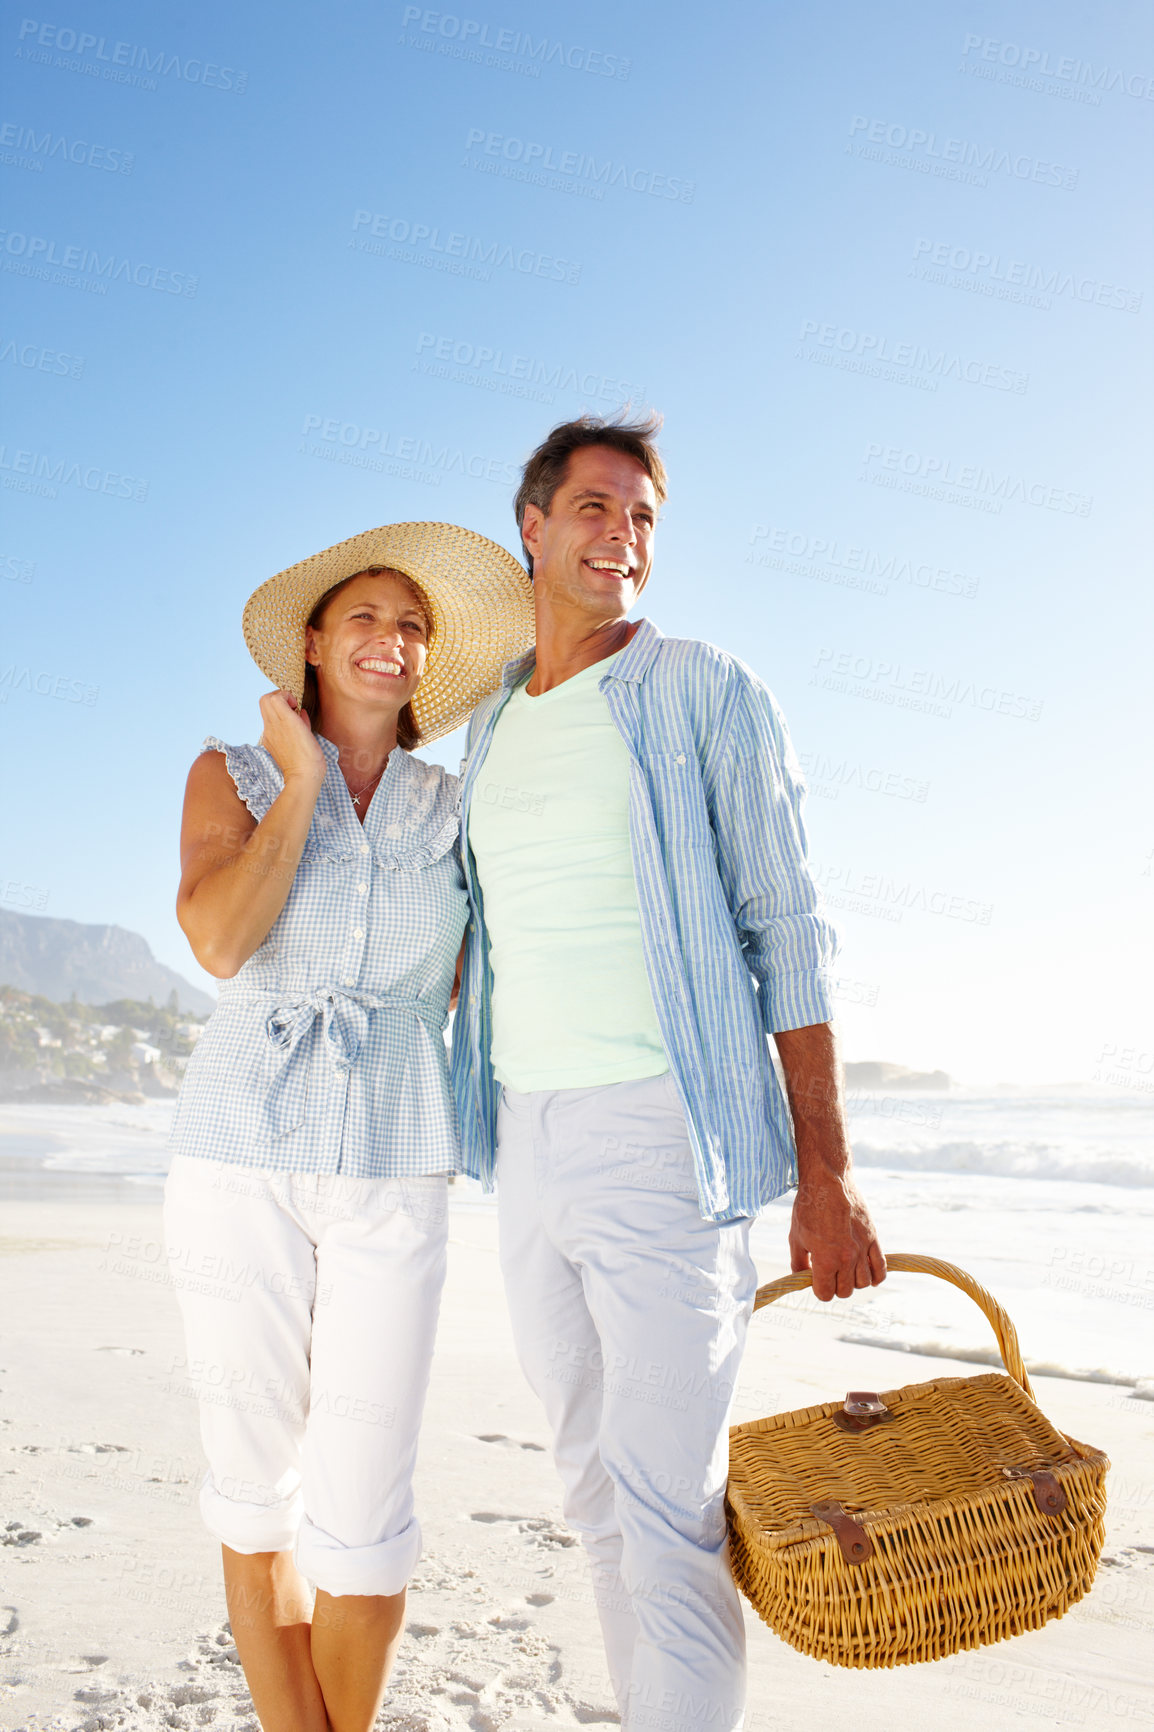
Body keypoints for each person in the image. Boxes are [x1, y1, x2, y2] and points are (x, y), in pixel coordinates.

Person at [450, 416, 886, 1731]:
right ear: (530, 526)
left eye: (640, 519)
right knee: (587, 1487)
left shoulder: (703, 687)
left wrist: (829, 1175)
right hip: (523, 1140)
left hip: (663, 1136)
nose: (619, 537)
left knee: (667, 1507)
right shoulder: (483, 727)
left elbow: (788, 936)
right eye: (592, 508)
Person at [164, 522, 533, 1732]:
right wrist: (308, 783)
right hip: (236, 1156)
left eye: (413, 624)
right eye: (367, 616)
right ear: (314, 642)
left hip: (392, 1159)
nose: (393, 638)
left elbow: (490, 977)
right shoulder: (235, 772)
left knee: (366, 1500)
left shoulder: (454, 803)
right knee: (252, 1482)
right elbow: (221, 940)